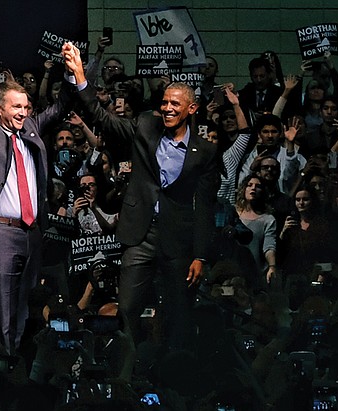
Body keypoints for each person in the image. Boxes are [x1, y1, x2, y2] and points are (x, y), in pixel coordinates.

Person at [64, 44, 220, 351]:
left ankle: (171, 373)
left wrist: (200, 256)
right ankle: (130, 367)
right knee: (127, 308)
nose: (167, 108)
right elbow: (103, 117)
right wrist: (81, 77)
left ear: (192, 109)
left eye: (175, 104)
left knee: (178, 314)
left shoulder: (206, 151)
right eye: (164, 103)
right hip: (141, 233)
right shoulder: (146, 124)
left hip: (178, 238)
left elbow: (204, 207)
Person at [0, 43, 76, 354]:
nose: (23, 113)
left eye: (26, 107)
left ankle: (20, 364)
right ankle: (5, 365)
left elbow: (62, 105)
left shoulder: (32, 129)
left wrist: (72, 70)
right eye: (16, 107)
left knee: (26, 304)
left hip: (33, 232)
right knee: (5, 305)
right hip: (2, 232)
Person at [235, 175, 277, 288]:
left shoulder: (268, 219)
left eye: (258, 186)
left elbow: (269, 246)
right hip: (233, 271)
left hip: (255, 273)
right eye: (249, 185)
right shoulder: (232, 214)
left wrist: (272, 266)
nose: (253, 188)